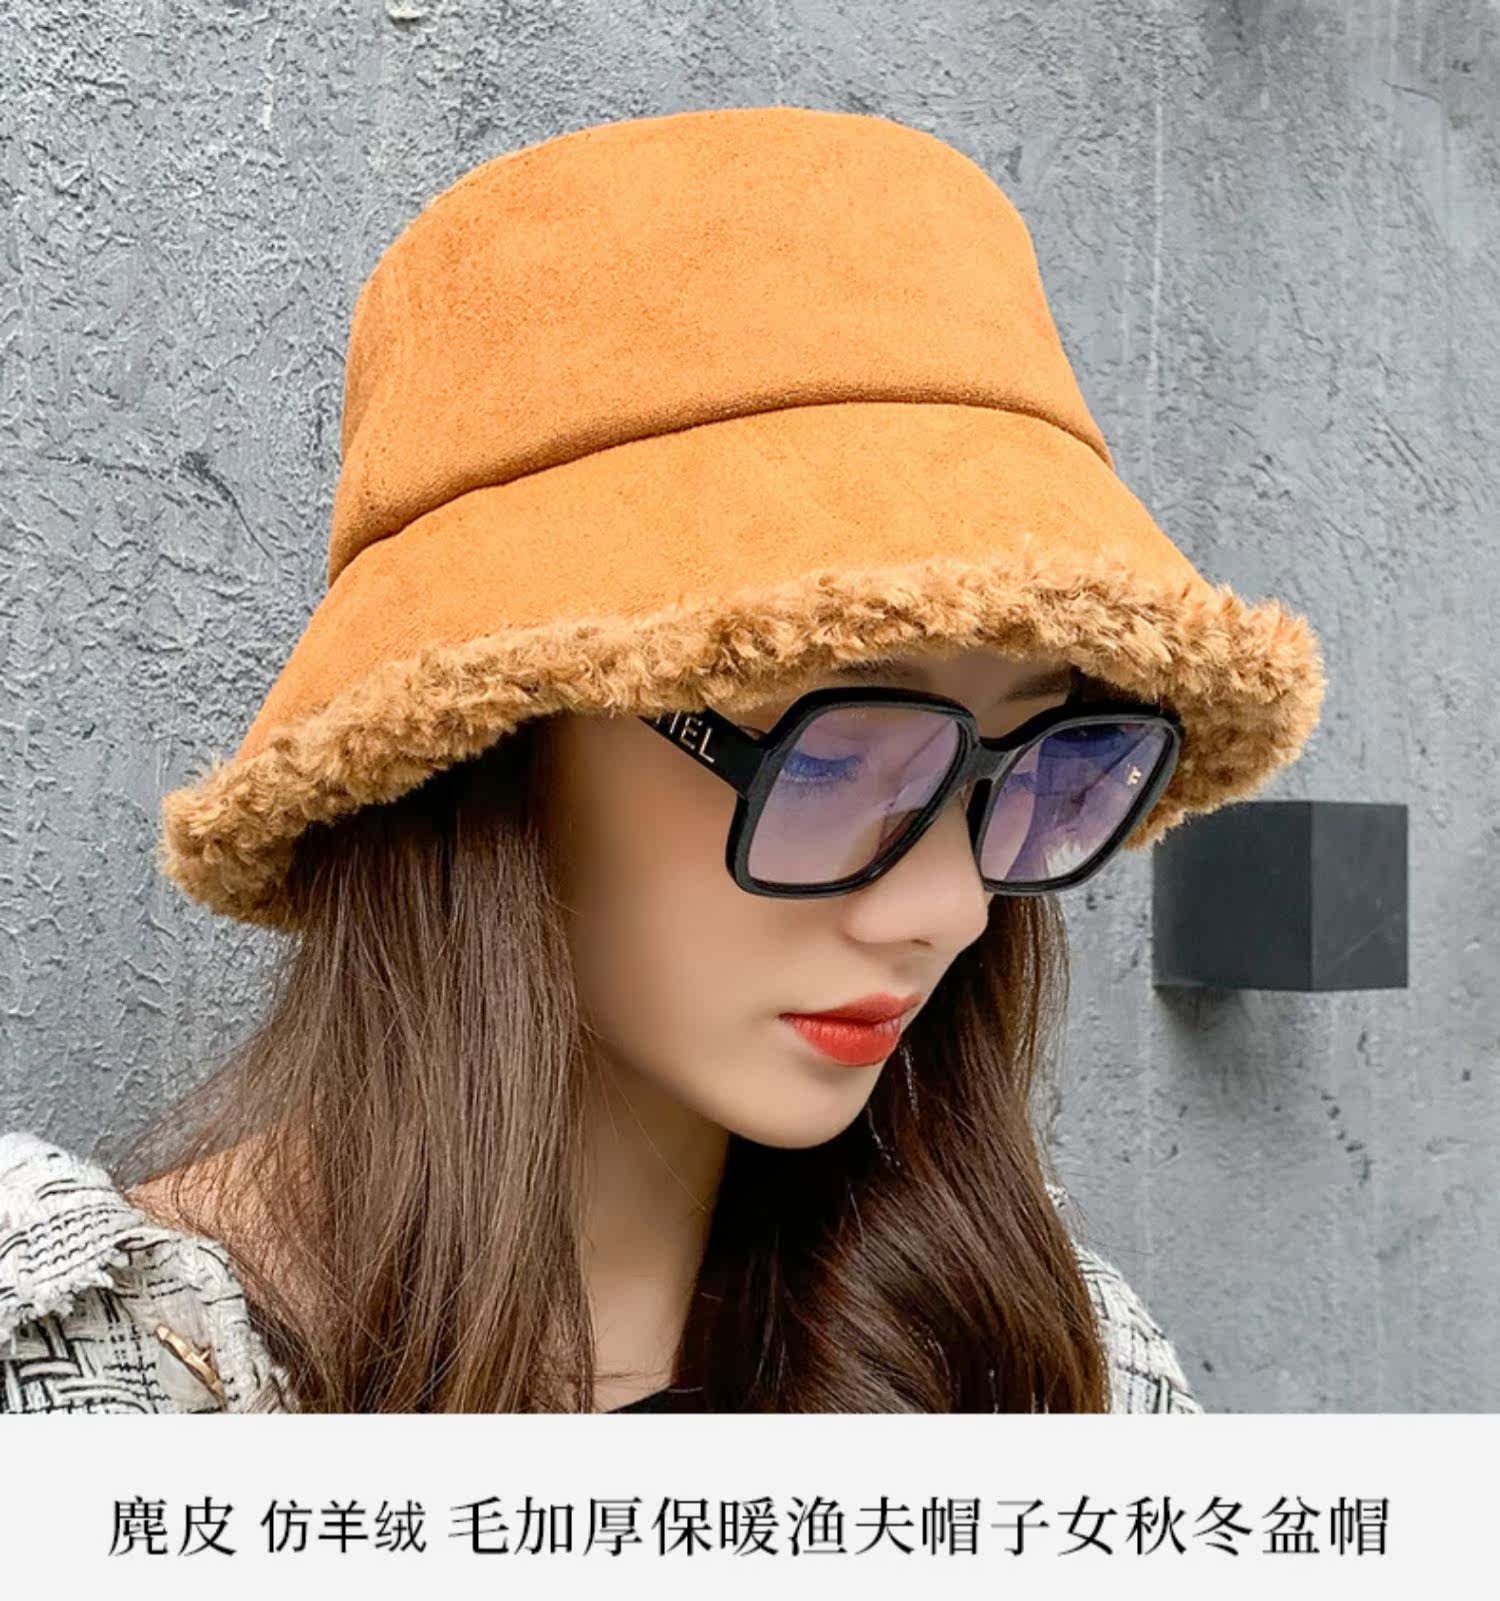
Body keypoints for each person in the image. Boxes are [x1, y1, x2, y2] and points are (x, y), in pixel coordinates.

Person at [0, 105, 1325, 1415]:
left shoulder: (1050, 1362)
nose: (953, 908)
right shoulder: (97, 1385)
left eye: (1039, 761)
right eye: (836, 759)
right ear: (494, 744)